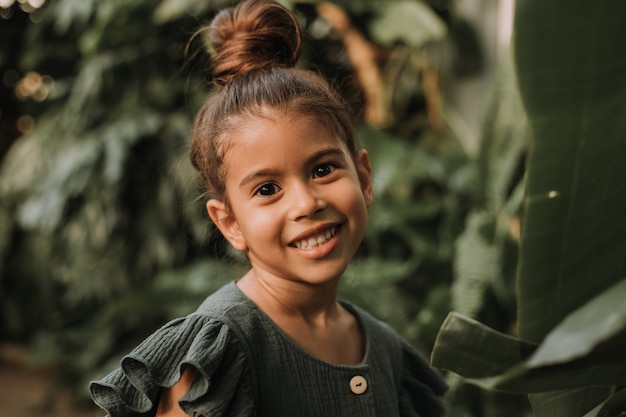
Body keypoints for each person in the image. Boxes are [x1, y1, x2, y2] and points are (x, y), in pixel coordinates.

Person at [89, 0, 448, 416]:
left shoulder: (385, 349)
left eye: (323, 169)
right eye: (267, 189)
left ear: (364, 178)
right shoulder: (217, 357)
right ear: (229, 223)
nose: (305, 203)